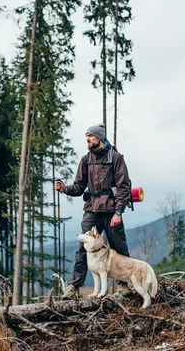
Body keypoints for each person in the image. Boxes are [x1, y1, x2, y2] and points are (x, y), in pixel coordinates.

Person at [54, 123, 132, 300]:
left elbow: (123, 186)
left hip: (112, 210)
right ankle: (74, 286)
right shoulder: (86, 160)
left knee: (118, 247)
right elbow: (79, 187)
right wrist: (65, 189)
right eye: (86, 137)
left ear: (100, 138)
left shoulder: (116, 158)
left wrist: (118, 212)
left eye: (90, 136)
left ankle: (124, 283)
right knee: (83, 248)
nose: (87, 139)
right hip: (92, 210)